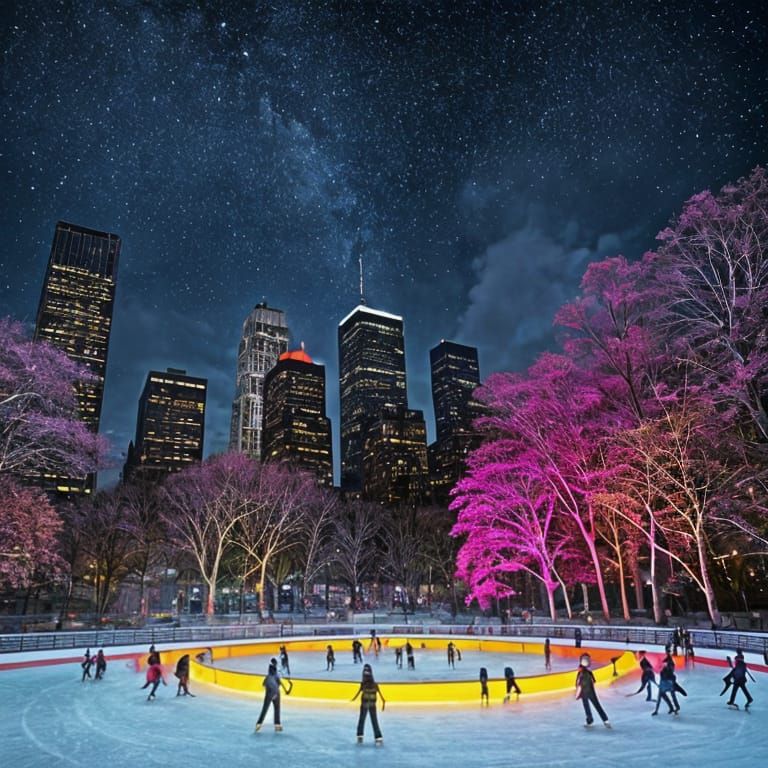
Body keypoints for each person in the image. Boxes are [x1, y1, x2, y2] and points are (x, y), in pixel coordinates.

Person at [351, 663, 385, 745]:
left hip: (365, 704)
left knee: (362, 719)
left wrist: (353, 699)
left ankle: (360, 735)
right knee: (374, 720)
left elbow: (358, 693)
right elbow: (381, 695)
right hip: (372, 704)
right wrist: (383, 702)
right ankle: (378, 737)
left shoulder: (363, 684)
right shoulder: (375, 684)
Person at [255, 658, 292, 732]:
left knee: (265, 708)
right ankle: (277, 725)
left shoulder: (268, 676)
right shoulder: (277, 675)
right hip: (276, 692)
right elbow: (281, 683)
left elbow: (264, 684)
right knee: (277, 708)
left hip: (270, 692)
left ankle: (258, 724)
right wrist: (286, 689)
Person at [575, 653, 611, 728]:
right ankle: (605, 720)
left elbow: (578, 684)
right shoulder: (589, 673)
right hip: (590, 692)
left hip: (585, 692)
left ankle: (591, 720)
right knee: (596, 705)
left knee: (587, 707)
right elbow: (593, 681)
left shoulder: (580, 674)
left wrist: (578, 693)